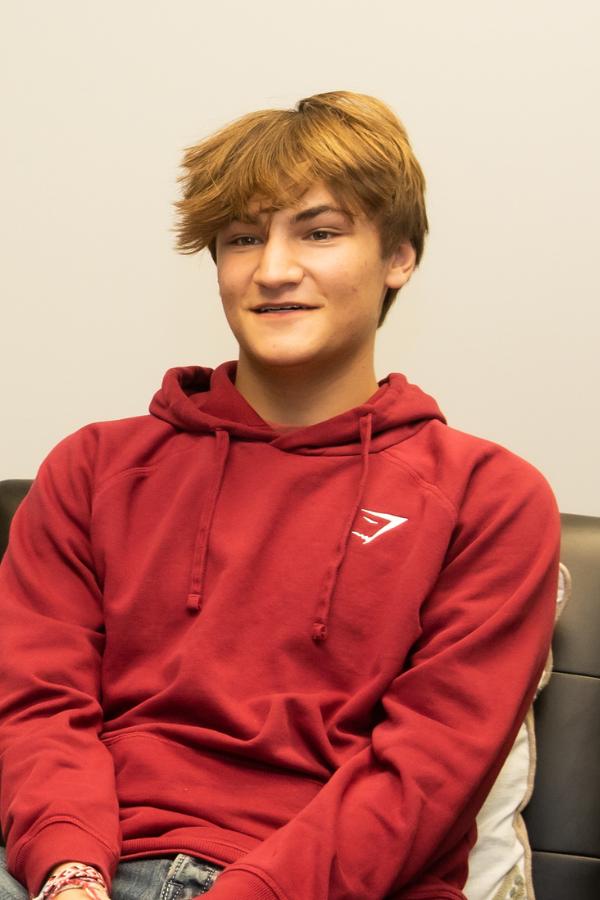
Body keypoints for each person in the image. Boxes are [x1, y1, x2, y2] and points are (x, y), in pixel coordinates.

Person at [0, 91, 560, 900]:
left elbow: (427, 771)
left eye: (320, 232)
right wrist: (70, 872)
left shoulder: (489, 498)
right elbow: (38, 708)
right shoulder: (93, 468)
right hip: (77, 868)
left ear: (399, 256)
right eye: (241, 238)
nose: (271, 269)